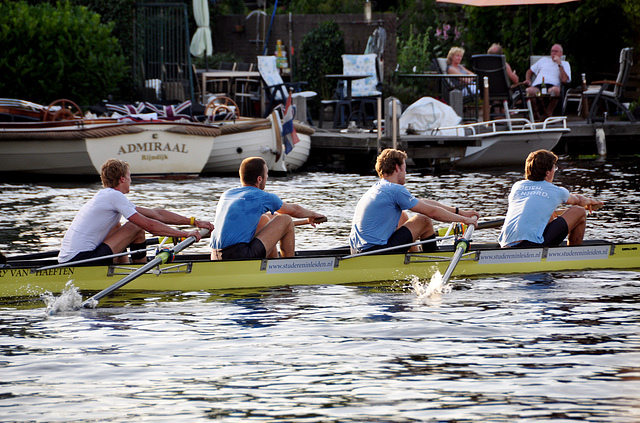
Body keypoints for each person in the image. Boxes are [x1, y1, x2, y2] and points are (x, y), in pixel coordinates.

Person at [58, 159, 213, 265]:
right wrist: (184, 234)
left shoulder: (106, 196)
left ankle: (125, 267)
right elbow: (149, 225)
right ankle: (140, 271)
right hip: (81, 261)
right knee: (136, 226)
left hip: (71, 259)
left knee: (117, 225)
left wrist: (193, 222)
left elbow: (156, 214)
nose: (131, 180)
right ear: (122, 179)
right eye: (129, 176)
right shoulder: (114, 196)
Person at [349, 149, 479, 254]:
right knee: (424, 220)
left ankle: (414, 258)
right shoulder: (395, 190)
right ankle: (431, 264)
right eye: (405, 169)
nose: (406, 173)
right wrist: (465, 220)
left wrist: (460, 213)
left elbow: (424, 203)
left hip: (356, 251)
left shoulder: (378, 187)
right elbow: (432, 213)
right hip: (373, 253)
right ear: (397, 168)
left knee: (403, 216)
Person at [210, 157, 326, 260]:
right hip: (239, 255)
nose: (267, 177)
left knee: (264, 219)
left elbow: (272, 219)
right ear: (259, 179)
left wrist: (307, 220)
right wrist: (313, 214)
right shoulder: (262, 197)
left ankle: (272, 264)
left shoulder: (227, 194)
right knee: (285, 219)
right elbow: (294, 210)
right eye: (267, 174)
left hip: (215, 256)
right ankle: (288, 267)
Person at [499, 149, 603, 248]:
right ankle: (573, 255)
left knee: (550, 216)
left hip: (505, 244)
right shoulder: (555, 191)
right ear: (548, 172)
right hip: (530, 246)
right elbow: (579, 201)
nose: (555, 171)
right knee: (579, 211)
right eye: (554, 168)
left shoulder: (517, 187)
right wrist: (590, 201)